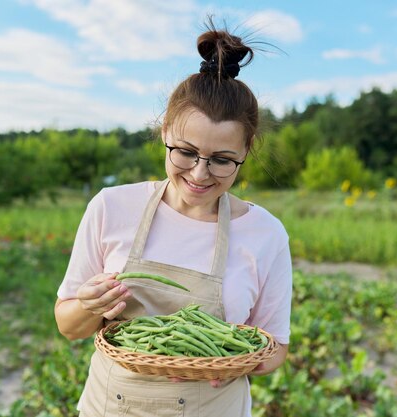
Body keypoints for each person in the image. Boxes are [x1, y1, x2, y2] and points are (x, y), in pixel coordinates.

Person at [54, 20, 293, 417]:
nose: (200, 174)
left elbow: (275, 349)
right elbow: (69, 326)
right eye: (184, 152)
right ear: (165, 131)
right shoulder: (111, 206)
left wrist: (237, 358)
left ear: (246, 150)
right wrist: (89, 305)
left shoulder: (265, 233)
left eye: (221, 160)